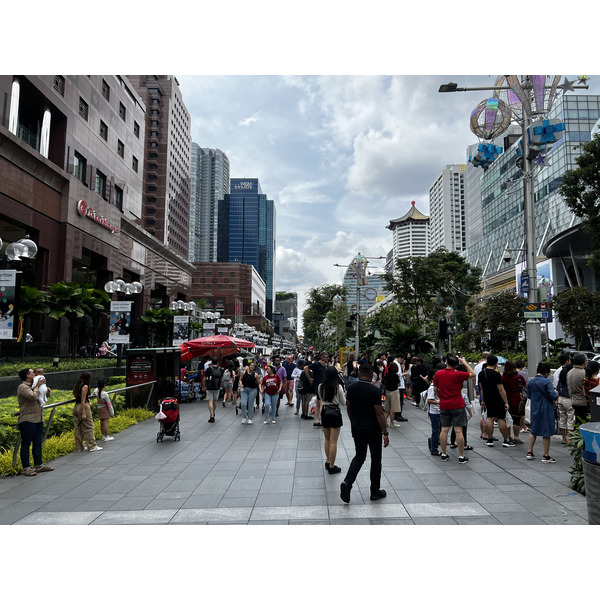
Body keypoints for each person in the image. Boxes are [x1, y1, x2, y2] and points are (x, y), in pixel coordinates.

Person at [340, 364, 389, 503]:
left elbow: (349, 407)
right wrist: (385, 432)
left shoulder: (351, 388)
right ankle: (374, 491)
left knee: (359, 456)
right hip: (373, 429)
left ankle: (347, 482)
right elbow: (379, 413)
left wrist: (353, 422)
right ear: (371, 374)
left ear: (359, 373)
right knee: (376, 459)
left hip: (358, 427)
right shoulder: (374, 390)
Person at [433, 354, 475, 464]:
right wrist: (464, 362)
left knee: (444, 430)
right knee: (458, 430)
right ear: (456, 365)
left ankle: (443, 454)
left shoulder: (438, 373)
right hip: (457, 405)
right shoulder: (458, 374)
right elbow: (473, 374)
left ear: (446, 363)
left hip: (444, 405)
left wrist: (440, 397)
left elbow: (435, 389)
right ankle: (461, 456)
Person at [17, 367, 54, 476]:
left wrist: (44, 386)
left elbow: (48, 394)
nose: (35, 374)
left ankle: (39, 465)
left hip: (38, 419)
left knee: (38, 442)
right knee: (26, 444)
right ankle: (26, 468)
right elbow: (33, 396)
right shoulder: (22, 387)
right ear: (28, 375)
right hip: (27, 420)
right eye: (33, 372)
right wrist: (37, 386)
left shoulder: (35, 384)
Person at [478, 355, 515, 448]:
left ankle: (489, 439)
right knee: (501, 419)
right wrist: (506, 401)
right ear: (495, 363)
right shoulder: (496, 373)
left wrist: (483, 400)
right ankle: (506, 440)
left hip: (488, 398)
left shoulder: (481, 373)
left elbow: (481, 389)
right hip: (498, 399)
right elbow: (501, 389)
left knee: (490, 418)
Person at [527, 362, 558, 463]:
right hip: (546, 408)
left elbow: (529, 395)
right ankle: (546, 455)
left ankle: (530, 452)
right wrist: (556, 393)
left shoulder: (531, 381)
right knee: (546, 432)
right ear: (545, 373)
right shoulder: (546, 382)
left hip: (535, 407)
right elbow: (553, 396)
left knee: (534, 430)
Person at [318, 366, 347, 474]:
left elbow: (321, 399)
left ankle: (328, 460)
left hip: (325, 412)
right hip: (335, 412)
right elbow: (343, 402)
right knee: (334, 441)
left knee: (327, 439)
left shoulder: (320, 386)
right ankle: (332, 465)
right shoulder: (338, 387)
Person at [73, 371, 102, 452]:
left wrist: (87, 401)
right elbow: (83, 400)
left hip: (76, 407)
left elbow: (79, 398)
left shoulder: (77, 385)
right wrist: (84, 412)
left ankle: (79, 447)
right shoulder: (85, 386)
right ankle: (92, 446)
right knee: (89, 427)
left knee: (78, 428)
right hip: (83, 407)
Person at [501, 360, 527, 444]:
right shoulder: (519, 377)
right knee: (516, 419)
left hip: (506, 400)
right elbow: (526, 385)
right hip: (517, 400)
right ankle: (516, 436)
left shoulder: (502, 377)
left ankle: (508, 435)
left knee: (507, 418)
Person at [304, 351, 329, 427]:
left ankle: (316, 420)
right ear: (322, 357)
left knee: (318, 404)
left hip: (322, 385)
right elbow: (306, 368)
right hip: (319, 386)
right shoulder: (317, 364)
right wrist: (310, 378)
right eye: (326, 357)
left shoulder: (324, 365)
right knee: (321, 403)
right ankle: (324, 421)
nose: (328, 358)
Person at [567, 352, 589, 424]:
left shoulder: (569, 372)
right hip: (583, 402)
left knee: (577, 422)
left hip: (574, 401)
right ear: (584, 362)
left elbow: (569, 388)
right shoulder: (584, 373)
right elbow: (585, 389)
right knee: (584, 423)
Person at [557, 362, 575, 444]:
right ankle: (569, 438)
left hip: (560, 399)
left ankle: (563, 438)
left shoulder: (561, 379)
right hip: (569, 399)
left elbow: (557, 390)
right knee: (570, 419)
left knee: (562, 418)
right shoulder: (570, 379)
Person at [426, 368, 442, 456]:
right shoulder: (432, 388)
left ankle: (432, 440)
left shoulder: (438, 386)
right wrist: (439, 402)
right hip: (434, 411)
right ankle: (434, 448)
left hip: (439, 411)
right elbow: (429, 400)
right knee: (436, 430)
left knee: (439, 430)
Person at [382, 361, 402, 430]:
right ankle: (391, 423)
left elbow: (383, 382)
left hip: (387, 392)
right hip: (394, 392)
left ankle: (384, 422)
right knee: (393, 409)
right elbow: (399, 384)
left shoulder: (387, 374)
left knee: (387, 409)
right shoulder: (395, 376)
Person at [204, 357, 223, 423]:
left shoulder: (209, 369)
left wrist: (204, 385)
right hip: (217, 387)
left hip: (209, 387)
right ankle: (213, 413)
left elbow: (205, 378)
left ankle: (212, 416)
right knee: (215, 401)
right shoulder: (220, 369)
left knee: (210, 401)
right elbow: (221, 378)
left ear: (211, 362)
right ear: (217, 362)